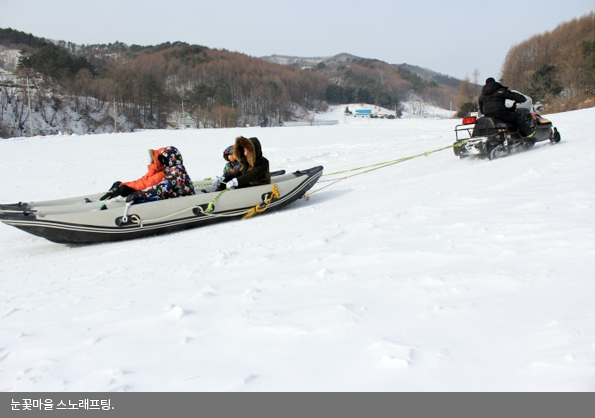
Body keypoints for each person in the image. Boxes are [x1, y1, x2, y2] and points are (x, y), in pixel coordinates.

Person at [126, 146, 195, 204]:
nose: (163, 162)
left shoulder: (176, 171)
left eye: (164, 159)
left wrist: (142, 194)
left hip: (183, 201)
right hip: (176, 198)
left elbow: (164, 186)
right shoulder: (172, 170)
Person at [100, 148, 165, 200]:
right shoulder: (154, 172)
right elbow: (140, 181)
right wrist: (124, 184)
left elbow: (144, 186)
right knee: (117, 184)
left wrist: (126, 185)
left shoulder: (160, 175)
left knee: (123, 188)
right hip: (138, 189)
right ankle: (106, 197)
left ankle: (109, 201)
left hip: (141, 192)